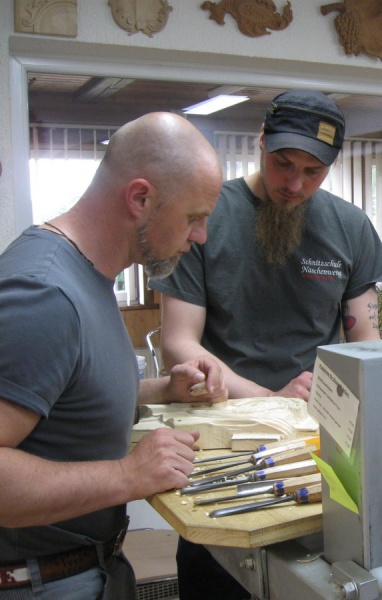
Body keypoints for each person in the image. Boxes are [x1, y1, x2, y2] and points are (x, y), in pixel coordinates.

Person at [150, 89, 382, 599]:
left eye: (313, 171)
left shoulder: (350, 227)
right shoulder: (206, 217)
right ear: (261, 141)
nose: (295, 184)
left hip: (317, 447)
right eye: (284, 164)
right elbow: (178, 343)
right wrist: (269, 400)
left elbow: (367, 341)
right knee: (220, 574)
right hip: (225, 443)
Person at [0, 112, 228, 599]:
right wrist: (129, 475)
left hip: (89, 568)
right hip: (40, 582)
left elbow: (61, 397)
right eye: (194, 217)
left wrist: (164, 390)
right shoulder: (44, 295)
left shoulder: (86, 274)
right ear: (140, 198)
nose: (201, 236)